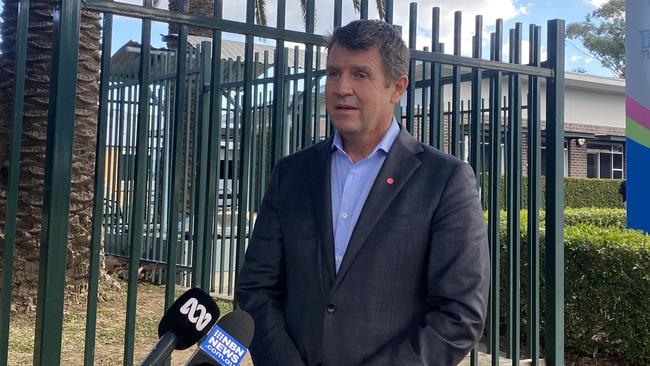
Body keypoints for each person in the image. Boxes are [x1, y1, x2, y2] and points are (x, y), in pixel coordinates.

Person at [236, 19, 490, 366]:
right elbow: (256, 289)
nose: (341, 88)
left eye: (360, 74)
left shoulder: (444, 180)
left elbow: (460, 314)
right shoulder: (292, 173)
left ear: (396, 88)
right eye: (333, 73)